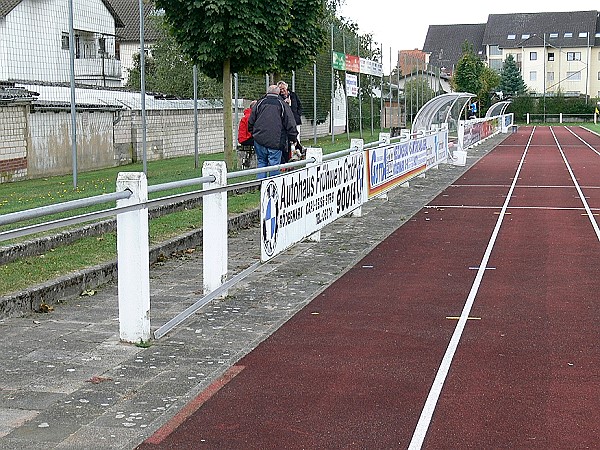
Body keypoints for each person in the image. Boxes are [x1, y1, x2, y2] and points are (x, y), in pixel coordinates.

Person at [248, 85, 298, 178]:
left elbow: (251, 120)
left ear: (267, 92)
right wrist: (293, 138)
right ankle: (273, 186)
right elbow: (290, 123)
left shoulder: (259, 103)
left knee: (261, 162)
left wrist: (253, 133)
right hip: (276, 140)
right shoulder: (282, 105)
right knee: (274, 164)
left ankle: (260, 184)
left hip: (259, 139)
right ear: (278, 93)